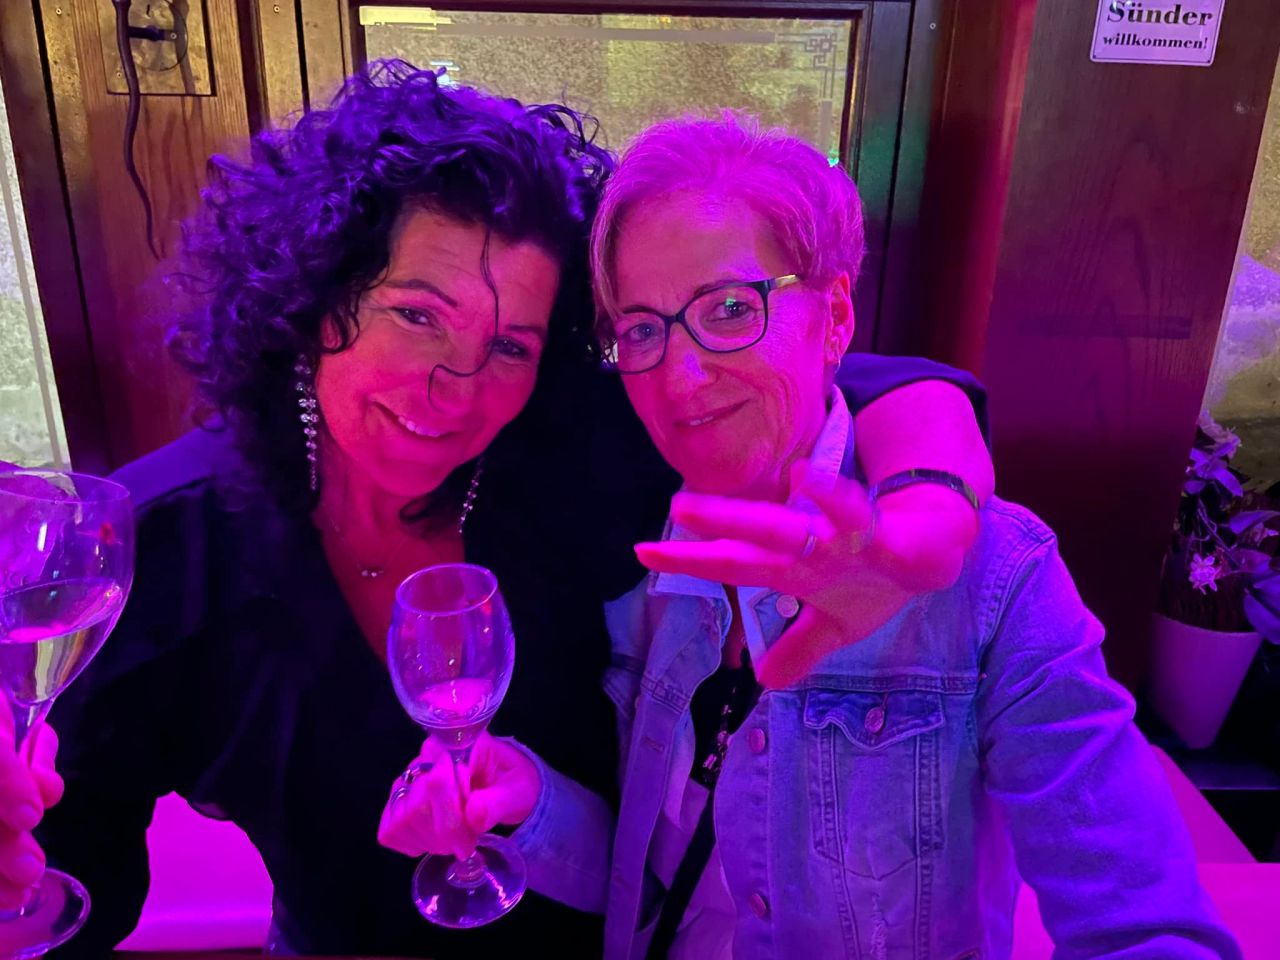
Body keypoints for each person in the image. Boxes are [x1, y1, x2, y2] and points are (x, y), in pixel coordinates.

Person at [8, 65, 991, 957]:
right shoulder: (166, 546)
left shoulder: (568, 455)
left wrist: (933, 512)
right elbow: (78, 882)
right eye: (417, 315)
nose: (456, 384)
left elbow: (844, 384)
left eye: (511, 344)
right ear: (314, 298)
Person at [379, 114, 1241, 959]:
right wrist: (529, 802)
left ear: (833, 318)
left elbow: (1147, 922)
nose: (680, 377)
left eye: (729, 309)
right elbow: (659, 880)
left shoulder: (993, 580)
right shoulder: (640, 553)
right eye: (642, 328)